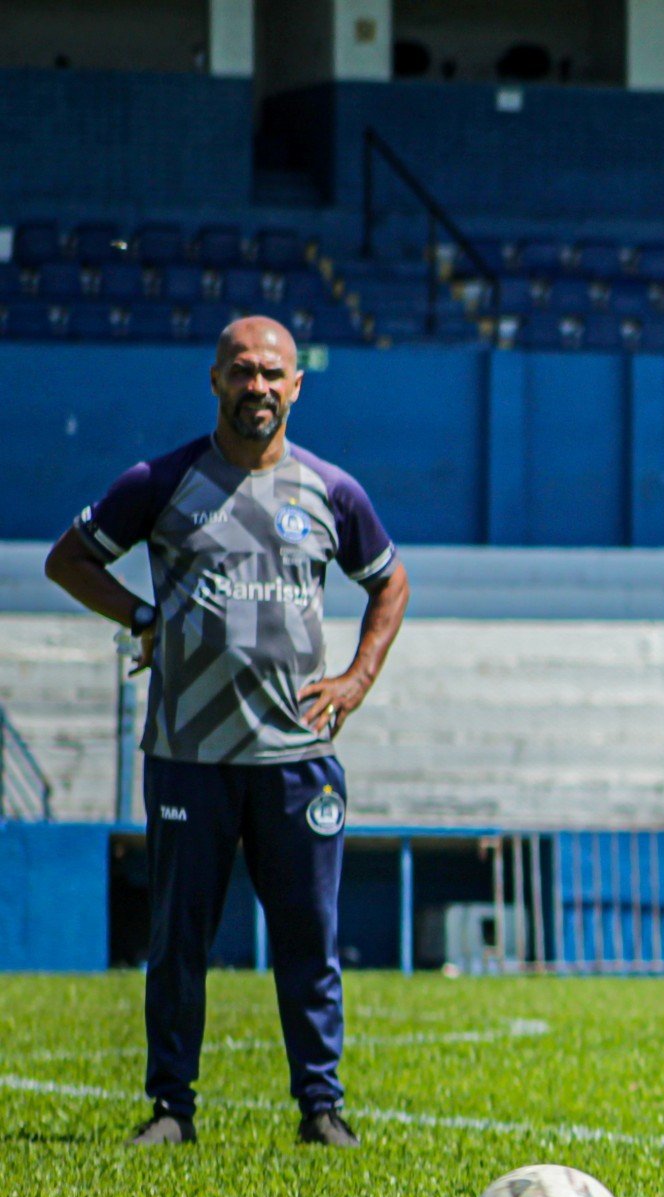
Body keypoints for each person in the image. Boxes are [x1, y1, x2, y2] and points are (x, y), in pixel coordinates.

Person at [44, 318, 410, 1148]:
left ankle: (321, 1109)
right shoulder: (162, 481)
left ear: (297, 387)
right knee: (178, 940)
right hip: (189, 755)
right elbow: (67, 559)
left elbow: (391, 585)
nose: (259, 388)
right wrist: (143, 615)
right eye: (243, 372)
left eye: (274, 374)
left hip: (297, 758)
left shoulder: (331, 491)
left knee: (308, 941)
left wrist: (356, 680)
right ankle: (172, 1109)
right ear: (214, 380)